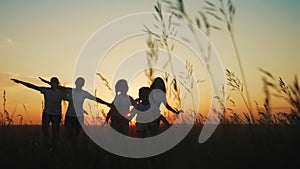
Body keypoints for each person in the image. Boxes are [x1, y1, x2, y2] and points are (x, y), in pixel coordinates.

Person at [39, 77, 111, 138]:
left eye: (81, 83)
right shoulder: (70, 91)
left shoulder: (84, 93)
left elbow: (95, 98)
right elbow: (58, 87)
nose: (79, 84)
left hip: (79, 117)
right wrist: (47, 82)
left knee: (75, 136)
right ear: (76, 83)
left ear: (83, 84)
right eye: (78, 82)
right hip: (69, 116)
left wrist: (107, 103)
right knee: (68, 136)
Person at [11, 77, 67, 148]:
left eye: (55, 83)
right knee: (44, 130)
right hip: (47, 113)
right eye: (52, 82)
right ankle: (47, 144)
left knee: (55, 132)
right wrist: (20, 82)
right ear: (51, 83)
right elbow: (33, 86)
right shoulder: (46, 90)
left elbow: (70, 91)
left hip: (57, 115)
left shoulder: (61, 92)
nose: (54, 84)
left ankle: (55, 146)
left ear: (57, 83)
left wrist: (47, 82)